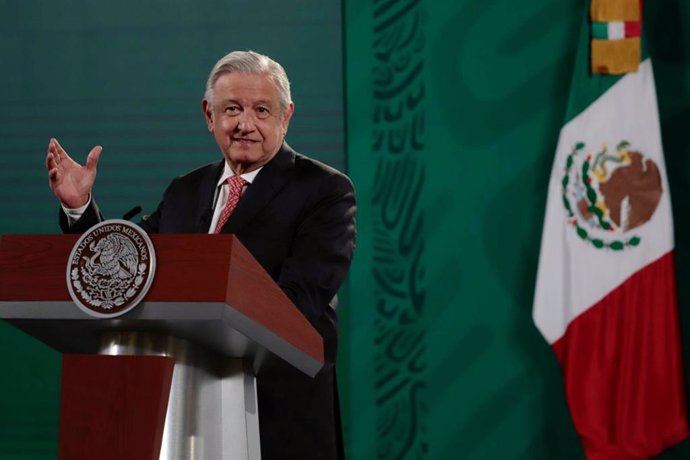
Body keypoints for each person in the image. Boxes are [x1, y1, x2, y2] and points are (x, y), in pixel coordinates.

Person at [45, 50, 356, 460]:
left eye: (262, 110)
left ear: (286, 116)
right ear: (209, 115)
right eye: (232, 109)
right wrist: (80, 207)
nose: (245, 124)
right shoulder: (186, 189)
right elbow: (128, 271)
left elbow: (300, 302)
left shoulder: (324, 190)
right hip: (178, 411)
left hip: (276, 416)